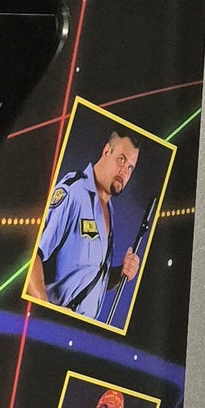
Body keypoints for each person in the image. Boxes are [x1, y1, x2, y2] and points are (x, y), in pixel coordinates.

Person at [35, 128, 141, 317]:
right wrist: (44, 314)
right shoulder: (73, 191)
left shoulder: (109, 211)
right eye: (122, 159)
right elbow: (32, 256)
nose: (124, 171)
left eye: (130, 167)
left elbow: (91, 278)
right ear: (106, 151)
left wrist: (120, 273)